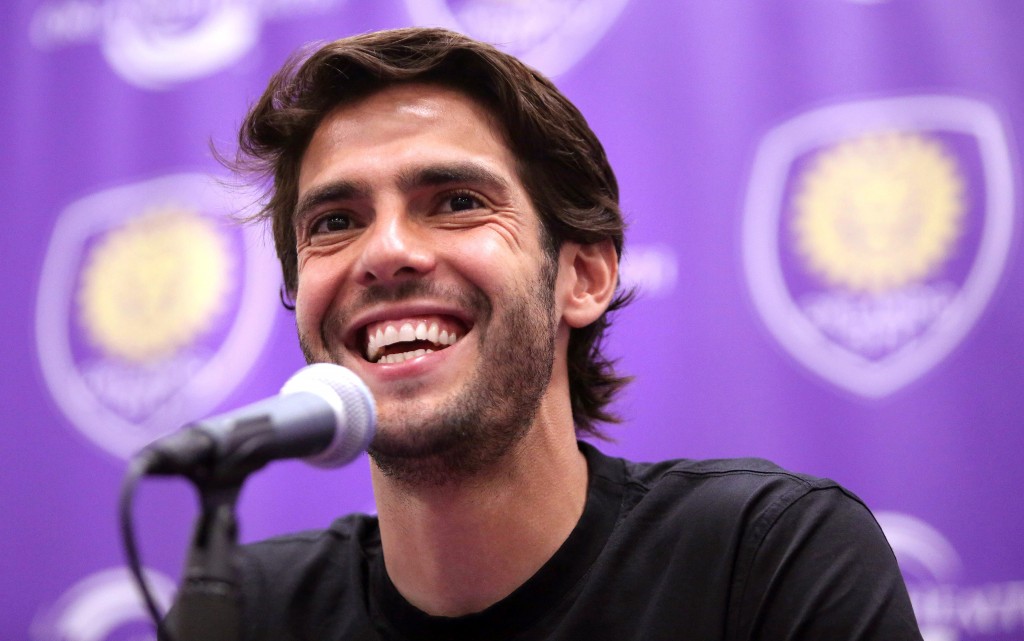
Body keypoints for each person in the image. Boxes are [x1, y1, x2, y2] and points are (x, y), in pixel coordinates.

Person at [174, 27, 923, 640]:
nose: (385, 252)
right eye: (335, 222)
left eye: (458, 201)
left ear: (584, 278)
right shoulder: (244, 614)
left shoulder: (765, 560)